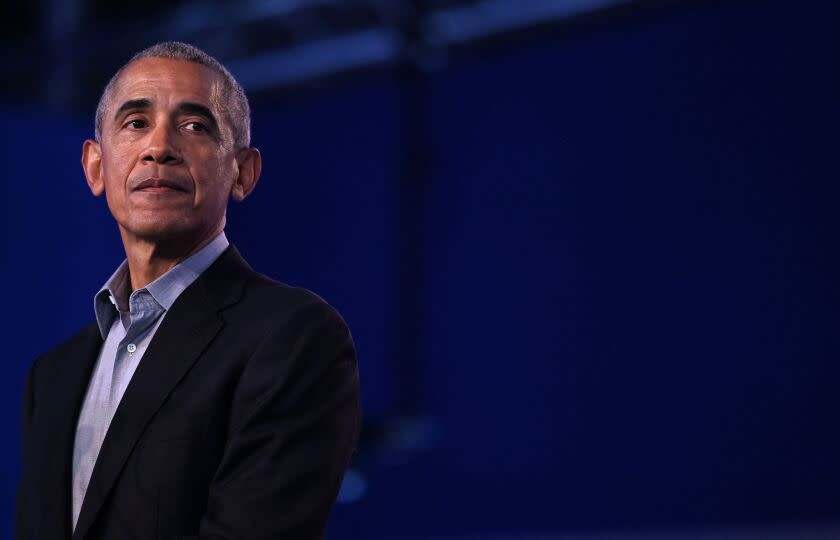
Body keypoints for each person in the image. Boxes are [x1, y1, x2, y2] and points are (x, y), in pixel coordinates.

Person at [15, 41, 361, 540]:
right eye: (135, 123)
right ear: (95, 167)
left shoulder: (292, 337)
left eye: (195, 126)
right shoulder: (52, 376)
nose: (160, 147)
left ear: (242, 172)